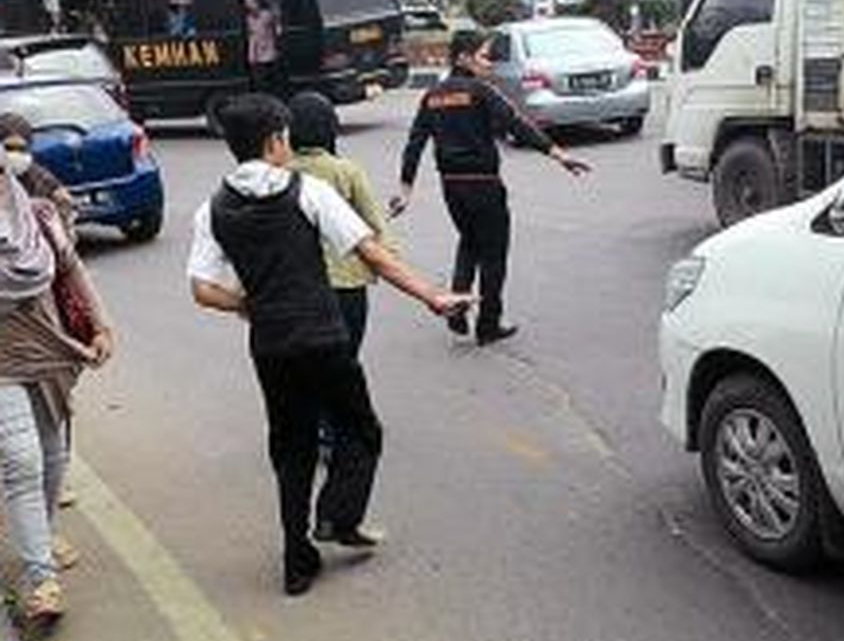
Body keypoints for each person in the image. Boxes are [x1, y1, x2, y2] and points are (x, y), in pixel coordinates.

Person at [186, 94, 472, 596]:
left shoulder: (212, 209)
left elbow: (203, 290)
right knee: (361, 431)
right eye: (285, 137)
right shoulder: (308, 192)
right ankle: (338, 518)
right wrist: (431, 296)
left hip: (270, 346)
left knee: (290, 448)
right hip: (322, 336)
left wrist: (249, 306)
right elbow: (373, 256)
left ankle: (297, 562)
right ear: (275, 141)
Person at [391, 29, 591, 346]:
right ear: (463, 58)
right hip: (484, 185)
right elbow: (517, 124)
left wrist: (405, 191)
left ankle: (457, 308)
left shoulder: (432, 97)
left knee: (469, 242)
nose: (490, 63)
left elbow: (414, 144)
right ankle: (488, 324)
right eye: (484, 56)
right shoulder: (481, 92)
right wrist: (557, 154)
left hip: (452, 187)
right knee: (494, 255)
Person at [0, 140, 114, 626]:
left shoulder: (40, 217)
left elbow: (71, 269)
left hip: (48, 352)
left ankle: (41, 536)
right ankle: (40, 577)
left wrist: (101, 324)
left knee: (52, 458)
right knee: (21, 462)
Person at [288, 92, 394, 355]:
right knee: (346, 360)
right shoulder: (346, 171)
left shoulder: (281, 172)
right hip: (346, 287)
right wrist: (391, 265)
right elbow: (375, 227)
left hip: (297, 288)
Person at [243, 0, 284, 98]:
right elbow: (251, 37)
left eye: (251, 2)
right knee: (259, 84)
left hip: (271, 54)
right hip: (257, 57)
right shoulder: (248, 19)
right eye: (247, 3)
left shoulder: (267, 15)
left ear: (257, 3)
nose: (249, 5)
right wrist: (251, 55)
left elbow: (278, 24)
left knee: (274, 83)